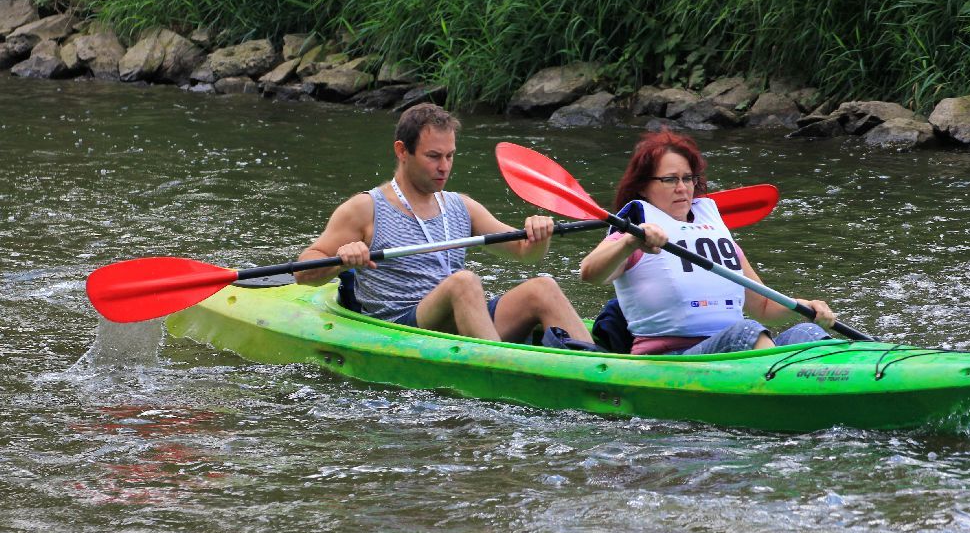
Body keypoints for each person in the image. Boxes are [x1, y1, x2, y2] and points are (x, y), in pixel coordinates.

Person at [296, 103, 593, 344]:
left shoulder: (459, 205)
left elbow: (524, 253)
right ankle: (499, 368)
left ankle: (599, 368)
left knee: (543, 287)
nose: (444, 167)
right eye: (433, 156)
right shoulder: (365, 208)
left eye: (450, 156)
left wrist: (539, 234)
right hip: (403, 328)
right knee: (463, 282)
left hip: (462, 319)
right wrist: (341, 262)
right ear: (402, 151)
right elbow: (304, 269)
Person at [579, 129, 836, 355]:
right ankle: (782, 392)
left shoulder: (715, 236)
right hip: (669, 359)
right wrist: (631, 242)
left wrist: (803, 307)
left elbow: (764, 307)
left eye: (687, 178)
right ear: (643, 187)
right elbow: (589, 273)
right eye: (670, 179)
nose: (683, 188)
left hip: (730, 352)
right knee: (744, 331)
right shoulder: (631, 236)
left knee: (806, 335)